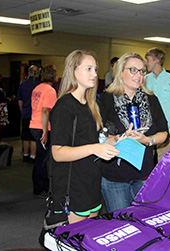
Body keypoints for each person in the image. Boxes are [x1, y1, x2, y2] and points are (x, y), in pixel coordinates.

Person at [50, 50, 119, 224]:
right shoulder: (64, 107)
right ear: (73, 70)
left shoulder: (91, 105)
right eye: (88, 69)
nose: (95, 74)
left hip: (91, 181)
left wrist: (119, 139)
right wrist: (94, 148)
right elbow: (58, 153)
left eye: (95, 69)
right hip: (72, 185)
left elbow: (95, 141)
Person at [99, 52, 168, 212]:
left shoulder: (151, 100)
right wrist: (118, 138)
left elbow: (164, 133)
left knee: (143, 220)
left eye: (142, 71)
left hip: (144, 173)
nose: (139, 75)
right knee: (121, 223)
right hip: (115, 175)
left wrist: (147, 140)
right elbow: (98, 134)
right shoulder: (106, 99)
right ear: (120, 72)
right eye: (133, 70)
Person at [145, 47, 170, 160]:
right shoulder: (144, 79)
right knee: (146, 160)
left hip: (165, 128)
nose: (145, 63)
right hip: (147, 128)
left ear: (156, 60)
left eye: (148, 60)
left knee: (163, 162)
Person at [29, 65, 57, 197]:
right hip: (42, 127)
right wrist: (45, 131)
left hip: (34, 125)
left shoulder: (37, 88)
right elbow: (45, 111)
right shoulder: (50, 91)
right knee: (42, 159)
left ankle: (44, 186)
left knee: (42, 158)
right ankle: (39, 188)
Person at [17, 65, 41, 162]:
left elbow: (20, 100)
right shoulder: (40, 84)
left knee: (25, 136)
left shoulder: (23, 84)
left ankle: (25, 154)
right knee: (33, 138)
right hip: (36, 114)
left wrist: (22, 111)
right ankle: (33, 156)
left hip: (26, 113)